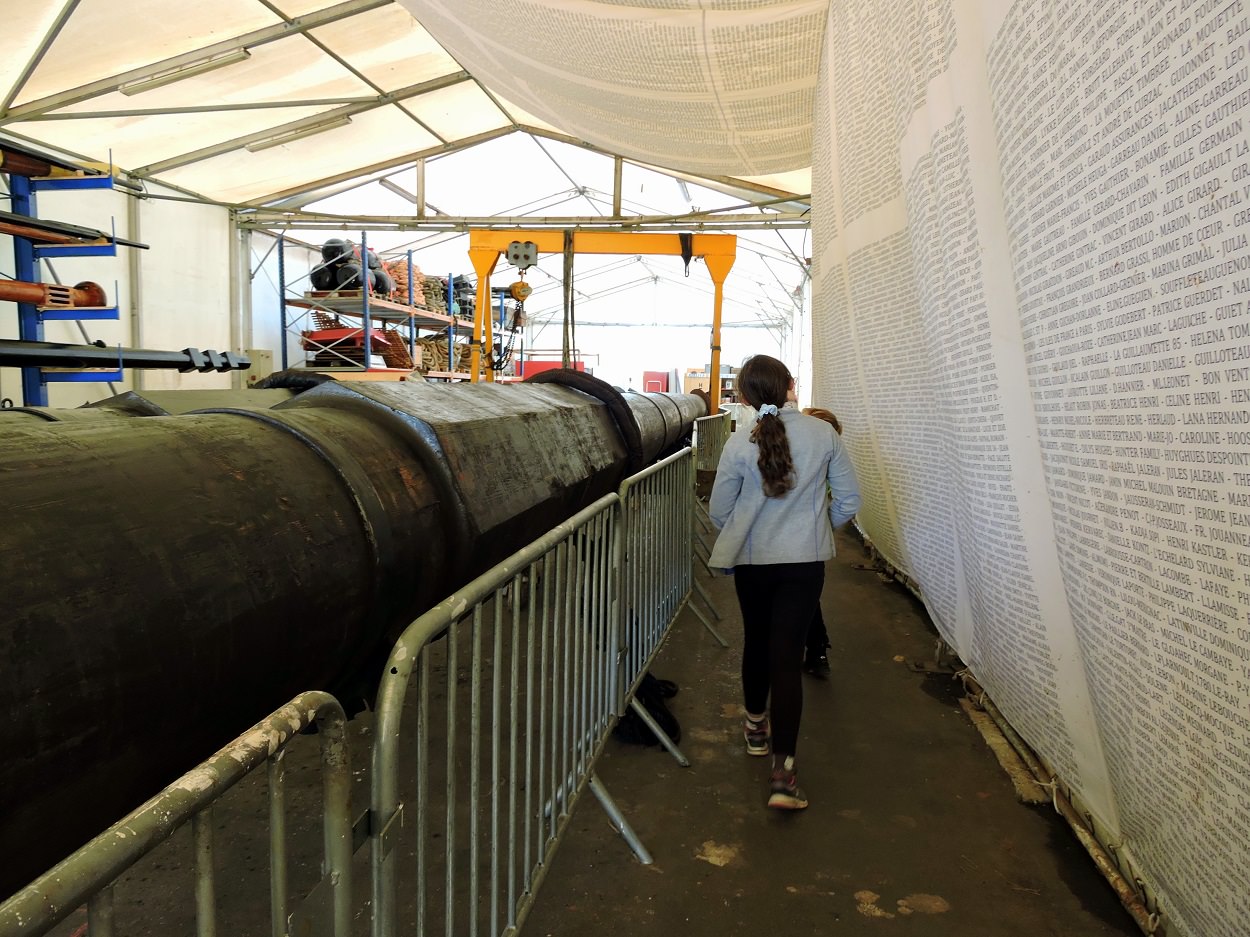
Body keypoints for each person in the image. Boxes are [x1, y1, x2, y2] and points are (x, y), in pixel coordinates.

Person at [708, 356, 860, 810]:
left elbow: (719, 512)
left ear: (747, 397)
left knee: (757, 642)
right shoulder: (824, 434)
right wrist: (817, 528)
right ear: (791, 386)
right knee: (787, 657)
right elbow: (849, 500)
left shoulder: (738, 444)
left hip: (755, 564)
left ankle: (756, 728)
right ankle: (783, 777)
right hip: (804, 563)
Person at [799, 407, 844, 679]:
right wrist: (827, 525)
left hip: (793, 539)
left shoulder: (801, 456)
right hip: (813, 540)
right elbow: (845, 500)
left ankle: (814, 650)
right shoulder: (829, 459)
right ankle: (817, 651)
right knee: (809, 597)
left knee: (801, 599)